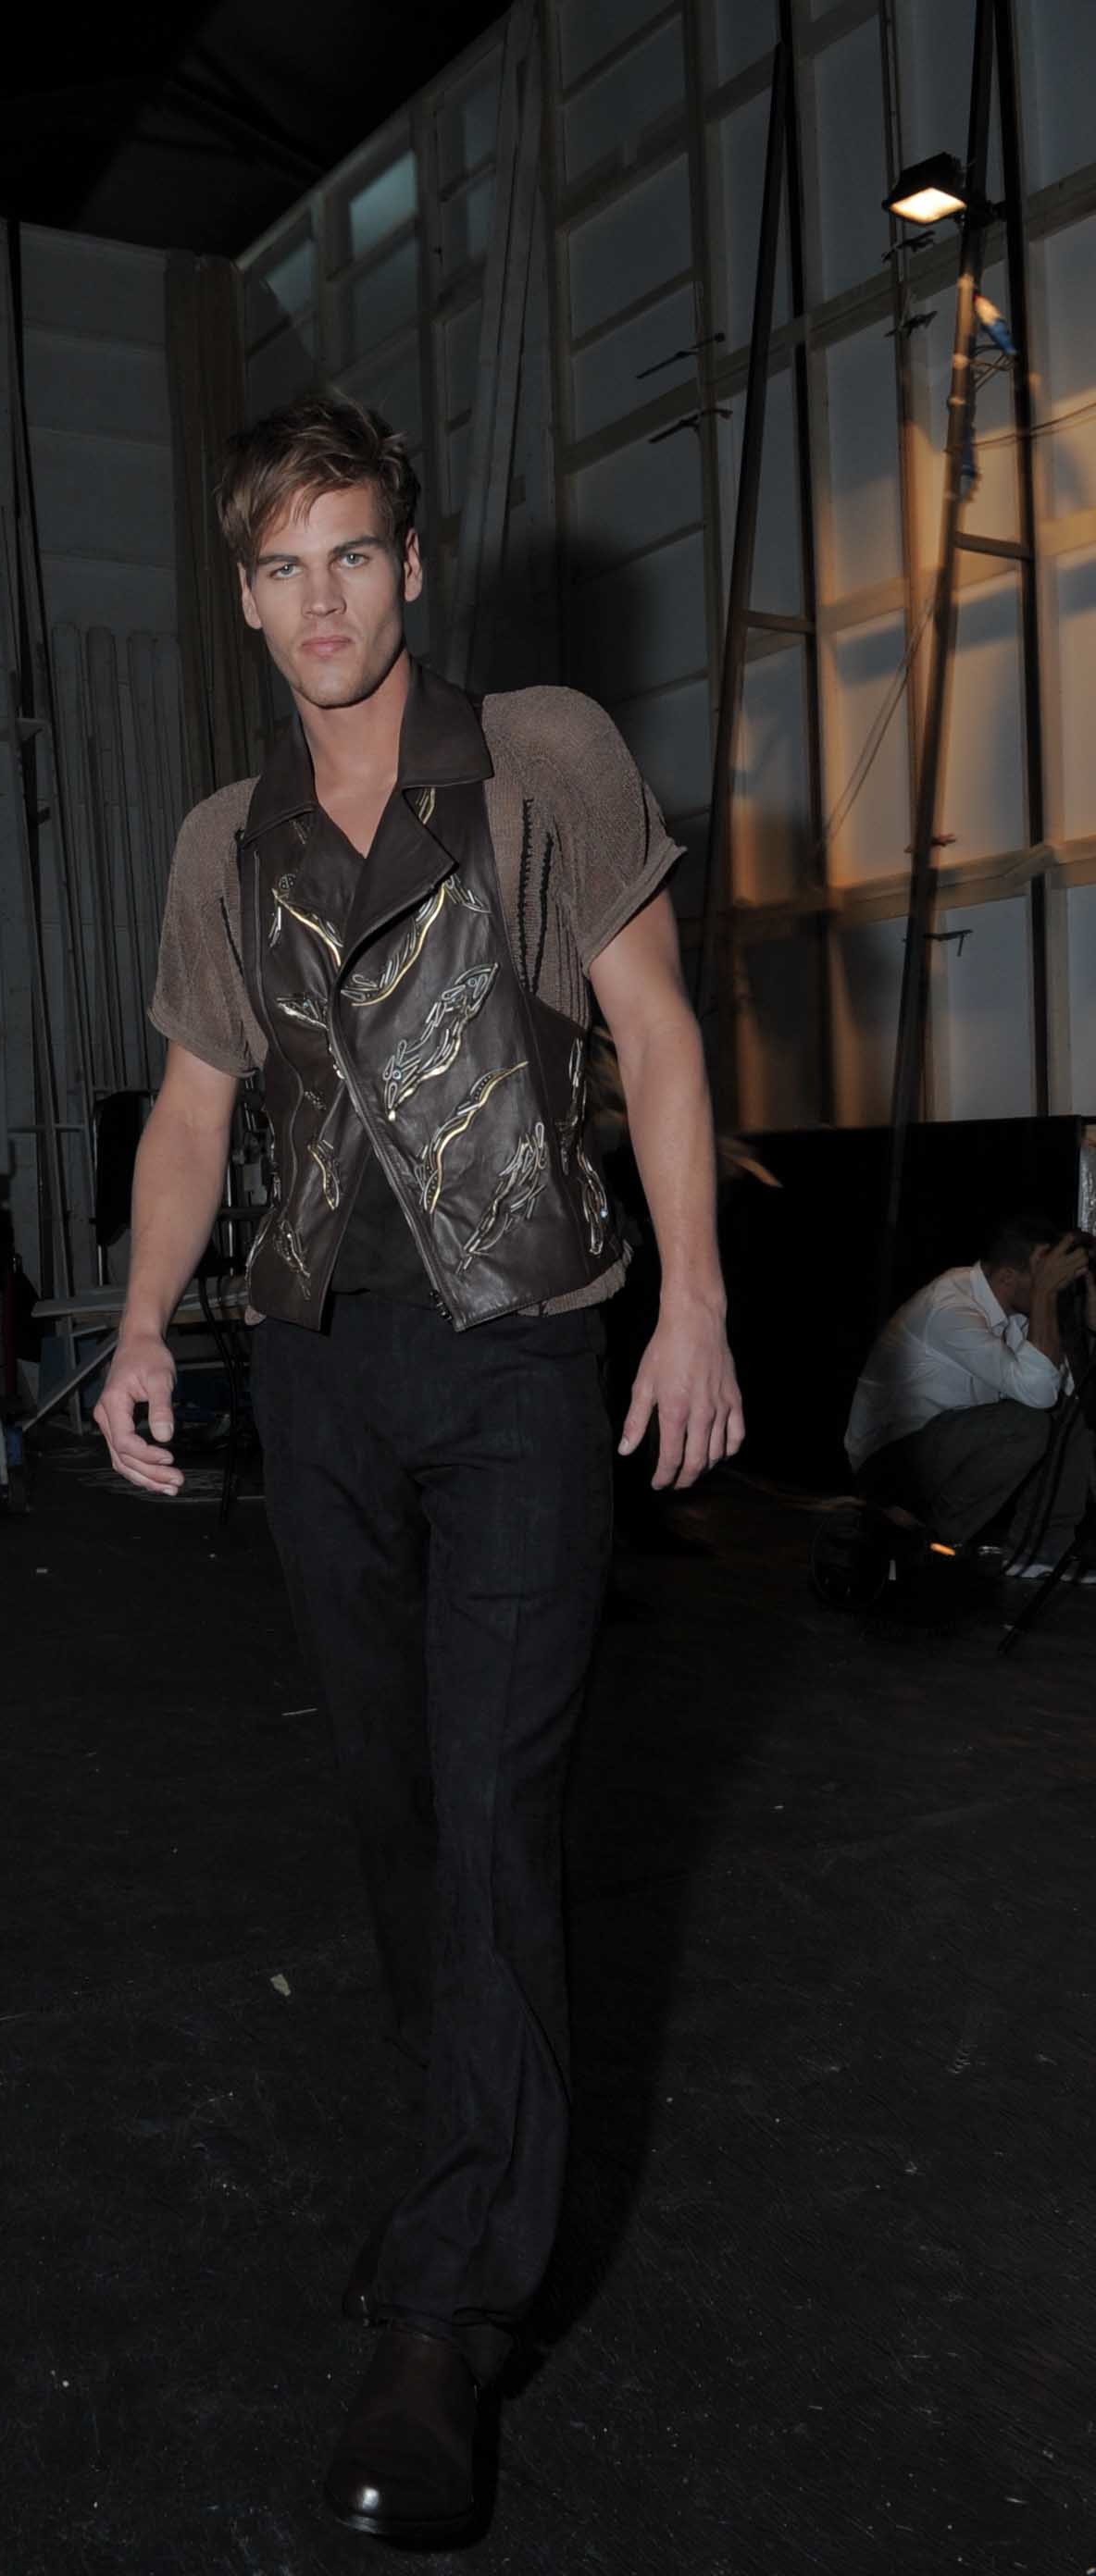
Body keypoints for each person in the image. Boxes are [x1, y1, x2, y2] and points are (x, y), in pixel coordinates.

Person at [93, 391, 742, 2547]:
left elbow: (657, 1029)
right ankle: (474, 2124)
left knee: (491, 1801)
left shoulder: (540, 755)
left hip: (521, 1355)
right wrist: (137, 1328)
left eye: (353, 555)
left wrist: (696, 1303)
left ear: (411, 561)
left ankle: (443, 2311)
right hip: (321, 1374)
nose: (322, 605)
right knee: (397, 1803)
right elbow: (194, 1111)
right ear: (244, 591)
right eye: (281, 569)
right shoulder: (227, 838)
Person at [846, 1213, 1095, 1578]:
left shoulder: (1016, 1316)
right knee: (1025, 1425)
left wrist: (1090, 1322)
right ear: (1008, 1277)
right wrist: (1045, 1294)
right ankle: (921, 1539)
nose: (1054, 1283)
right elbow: (1039, 1395)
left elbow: (1071, 1395)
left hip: (948, 1450)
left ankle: (1039, 1553)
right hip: (889, 1466)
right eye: (1044, 1274)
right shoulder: (951, 1308)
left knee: (1067, 1417)